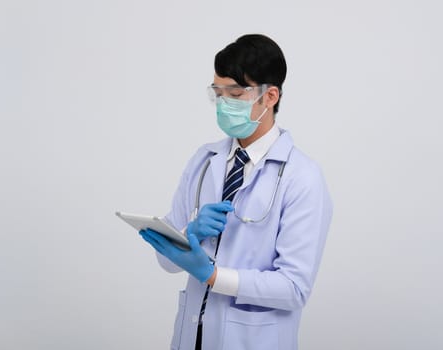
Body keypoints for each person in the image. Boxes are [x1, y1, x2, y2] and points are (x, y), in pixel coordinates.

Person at [139, 33, 333, 350]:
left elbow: (294, 287)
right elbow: (168, 262)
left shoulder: (303, 177)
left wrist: (214, 276)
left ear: (270, 97)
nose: (223, 103)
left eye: (234, 94)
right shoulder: (205, 160)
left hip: (254, 340)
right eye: (218, 93)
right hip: (192, 336)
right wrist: (191, 232)